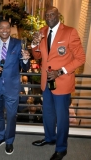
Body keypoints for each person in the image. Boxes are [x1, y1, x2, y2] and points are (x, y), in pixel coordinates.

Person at [31, 7, 86, 160]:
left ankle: (61, 148)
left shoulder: (70, 32)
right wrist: (34, 44)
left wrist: (60, 71)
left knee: (62, 118)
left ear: (58, 16)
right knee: (47, 113)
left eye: (52, 14)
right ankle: (49, 138)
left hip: (61, 82)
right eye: (47, 15)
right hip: (46, 82)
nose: (49, 17)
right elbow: (37, 56)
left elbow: (81, 58)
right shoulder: (42, 31)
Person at [0, 20, 30, 155]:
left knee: (11, 116)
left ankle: (9, 141)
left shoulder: (18, 43)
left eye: (7, 28)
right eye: (2, 28)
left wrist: (26, 59)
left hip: (12, 88)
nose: (4, 30)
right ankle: (0, 137)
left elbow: (25, 66)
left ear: (10, 29)